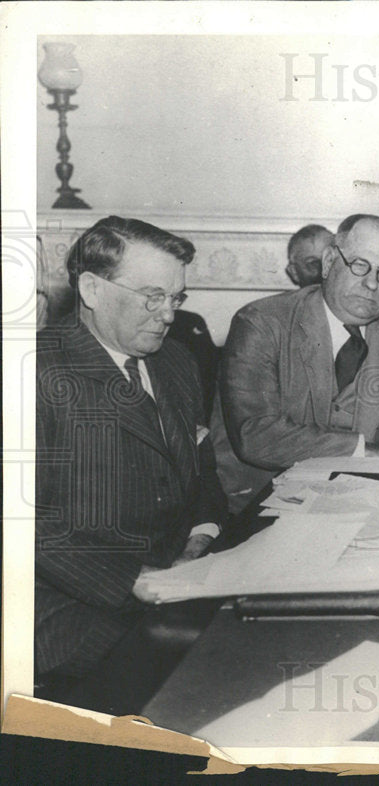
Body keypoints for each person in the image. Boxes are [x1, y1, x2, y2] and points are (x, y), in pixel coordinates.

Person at [35, 216, 227, 682]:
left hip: (175, 585)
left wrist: (199, 540)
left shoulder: (176, 362)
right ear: (92, 290)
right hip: (72, 611)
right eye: (152, 297)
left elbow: (203, 473)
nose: (167, 315)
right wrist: (136, 580)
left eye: (176, 298)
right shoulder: (33, 371)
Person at [219, 214, 379, 474]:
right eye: (360, 265)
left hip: (364, 499)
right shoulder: (262, 323)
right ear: (328, 262)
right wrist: (359, 450)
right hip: (265, 495)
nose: (372, 283)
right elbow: (255, 437)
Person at [286, 223, 379, 326]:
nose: (326, 268)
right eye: (313, 264)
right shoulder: (285, 316)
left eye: (332, 260)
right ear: (294, 273)